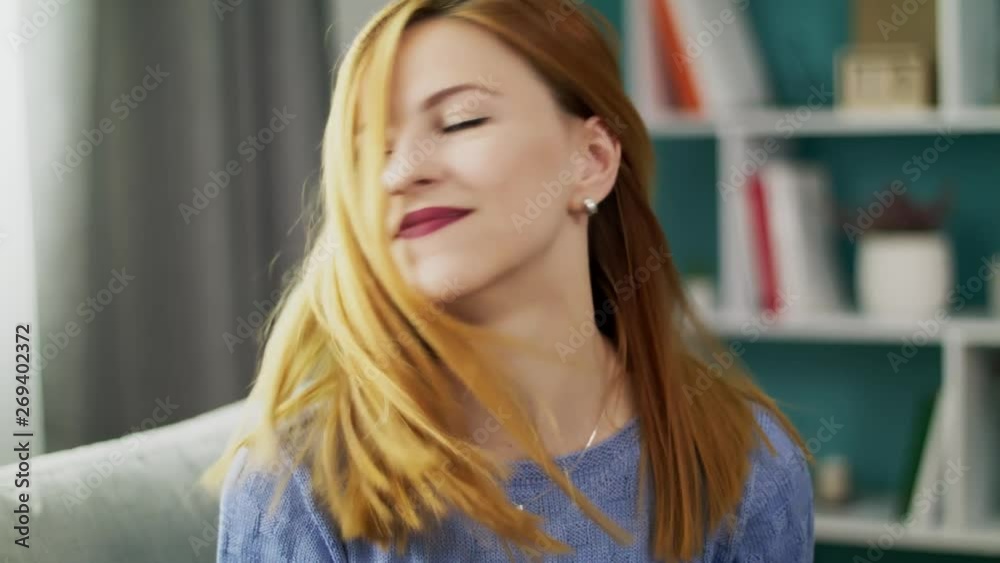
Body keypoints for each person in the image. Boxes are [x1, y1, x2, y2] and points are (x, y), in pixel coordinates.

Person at [203, 0, 814, 561]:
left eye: (461, 121)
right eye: (370, 150)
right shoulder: (294, 487)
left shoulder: (748, 466)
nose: (400, 174)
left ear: (593, 161)